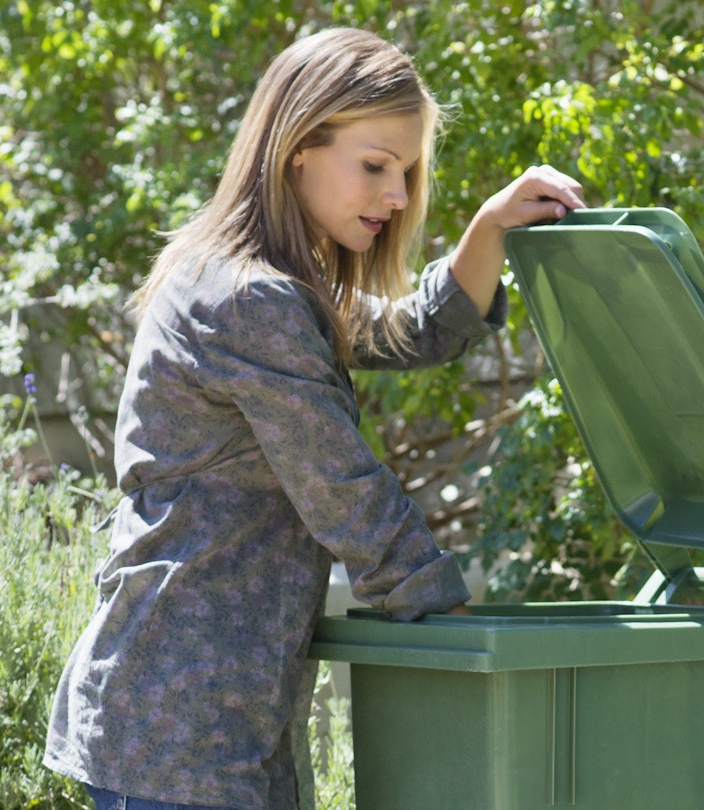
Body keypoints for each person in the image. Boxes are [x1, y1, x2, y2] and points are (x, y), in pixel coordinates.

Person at [43, 27, 585, 810]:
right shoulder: (246, 299)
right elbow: (346, 492)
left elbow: (412, 328)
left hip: (208, 726)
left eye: (406, 172)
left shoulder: (260, 287)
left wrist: (490, 227)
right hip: (179, 732)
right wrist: (478, 649)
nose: (397, 197)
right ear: (298, 145)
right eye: (375, 166)